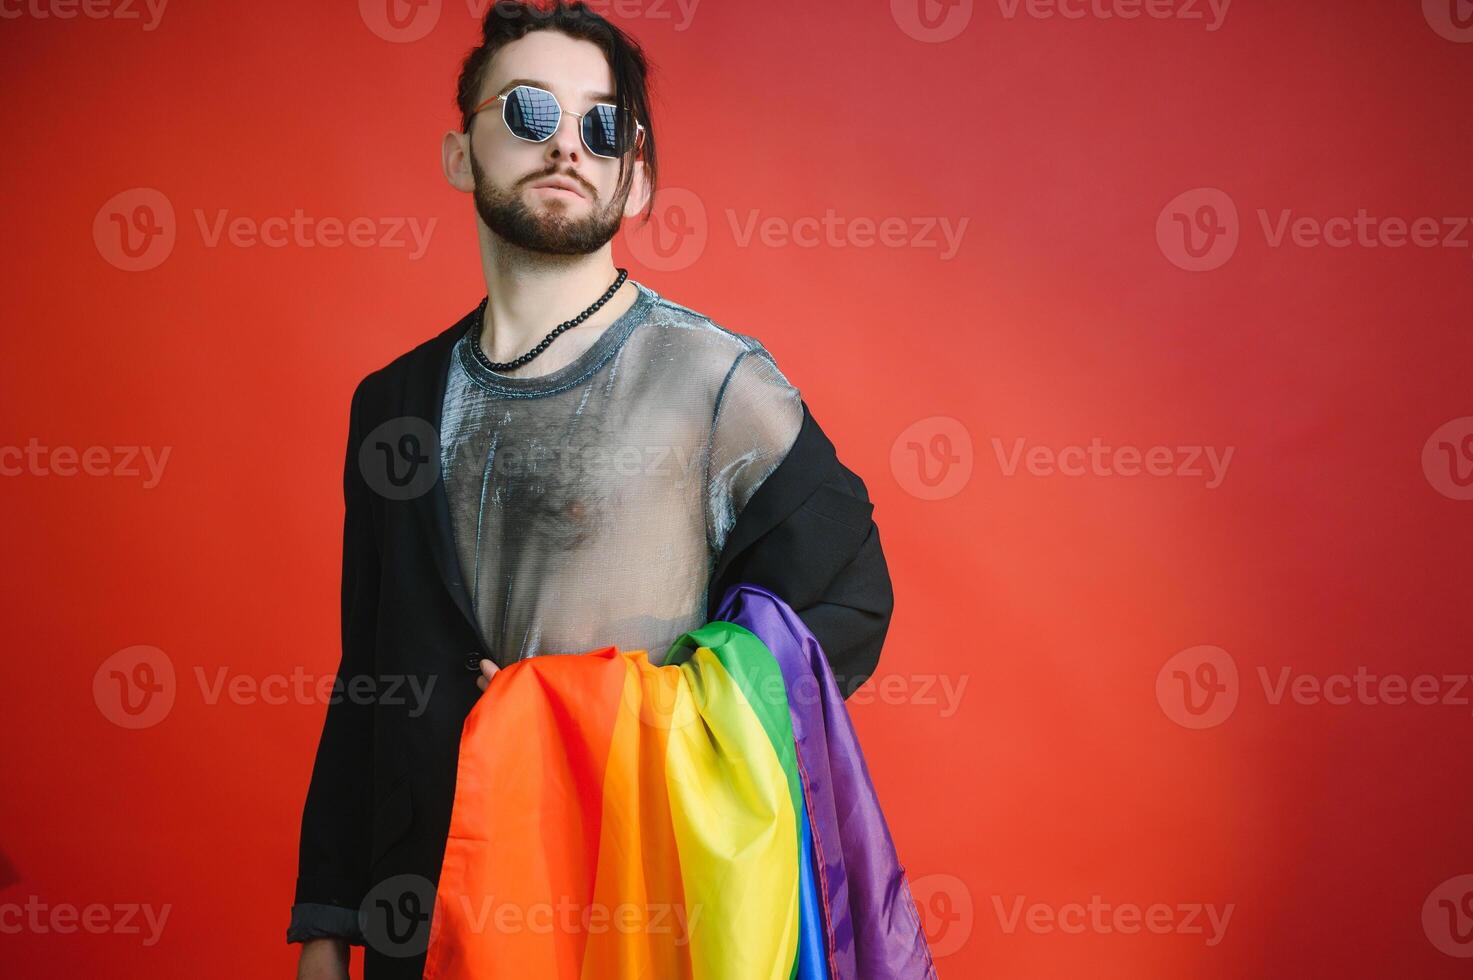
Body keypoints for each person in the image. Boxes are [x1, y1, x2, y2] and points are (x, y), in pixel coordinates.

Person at [290, 4, 895, 978]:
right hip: (426, 907)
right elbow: (367, 669)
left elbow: (853, 606)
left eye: (602, 125)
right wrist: (326, 924)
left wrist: (622, 707)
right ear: (459, 153)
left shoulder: (716, 385)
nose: (567, 144)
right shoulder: (391, 404)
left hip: (623, 907)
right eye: (529, 111)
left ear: (636, 175)